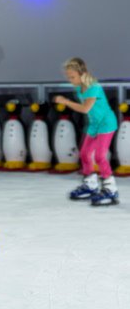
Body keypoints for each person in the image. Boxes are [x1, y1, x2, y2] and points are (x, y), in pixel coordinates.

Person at [53, 57, 119, 206]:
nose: (70, 80)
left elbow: (85, 109)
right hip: (95, 124)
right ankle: (91, 184)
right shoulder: (79, 88)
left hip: (106, 124)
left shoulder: (93, 87)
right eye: (68, 77)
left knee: (100, 156)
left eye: (72, 77)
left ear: (81, 73)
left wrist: (65, 101)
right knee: (84, 153)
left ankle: (110, 188)